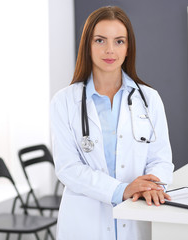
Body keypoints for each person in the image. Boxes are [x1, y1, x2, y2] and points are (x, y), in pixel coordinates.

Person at [50, 6, 174, 240]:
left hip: (137, 218)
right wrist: (121, 190)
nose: (110, 50)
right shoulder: (64, 102)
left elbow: (161, 160)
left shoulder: (149, 99)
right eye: (100, 40)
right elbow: (68, 168)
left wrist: (153, 187)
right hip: (85, 225)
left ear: (128, 48)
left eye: (119, 41)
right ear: (88, 45)